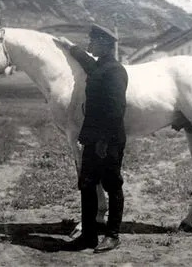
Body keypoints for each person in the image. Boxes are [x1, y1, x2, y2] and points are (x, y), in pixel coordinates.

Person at [55, 24, 128, 253]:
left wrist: (104, 143)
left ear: (105, 44)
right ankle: (88, 236)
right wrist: (70, 46)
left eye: (93, 41)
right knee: (86, 185)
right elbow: (86, 61)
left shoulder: (115, 71)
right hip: (92, 139)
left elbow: (117, 110)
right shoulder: (99, 66)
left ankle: (113, 235)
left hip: (108, 140)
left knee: (112, 185)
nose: (89, 43)